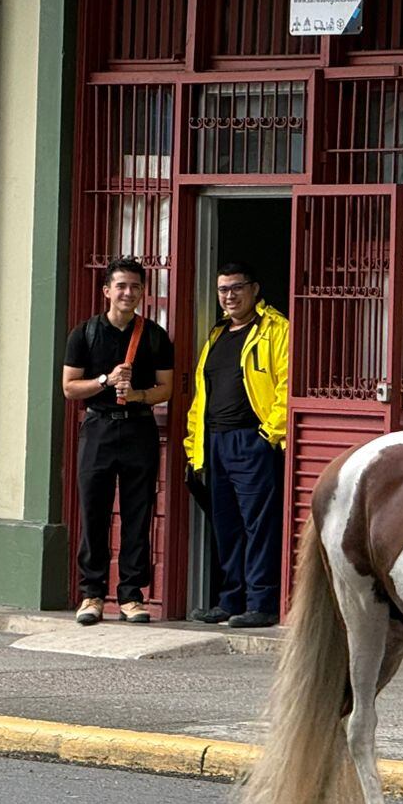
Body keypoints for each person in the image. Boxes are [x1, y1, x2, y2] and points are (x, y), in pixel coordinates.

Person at [61, 258, 175, 625]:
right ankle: (92, 595)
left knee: (138, 512)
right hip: (98, 428)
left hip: (139, 429)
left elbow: (167, 388)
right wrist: (106, 381)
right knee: (93, 511)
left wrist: (139, 395)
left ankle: (131, 596)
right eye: (121, 286)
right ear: (107, 291)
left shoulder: (155, 335)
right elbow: (69, 388)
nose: (128, 293)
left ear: (144, 292)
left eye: (136, 287)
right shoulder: (85, 333)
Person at [183, 261, 290, 629]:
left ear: (254, 289)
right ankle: (230, 600)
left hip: (251, 440)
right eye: (223, 290)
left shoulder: (275, 330)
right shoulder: (216, 336)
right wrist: (194, 447)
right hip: (215, 442)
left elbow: (286, 388)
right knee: (226, 525)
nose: (229, 296)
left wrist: (267, 436)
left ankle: (262, 602)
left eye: (236, 288)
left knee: (258, 524)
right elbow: (201, 397)